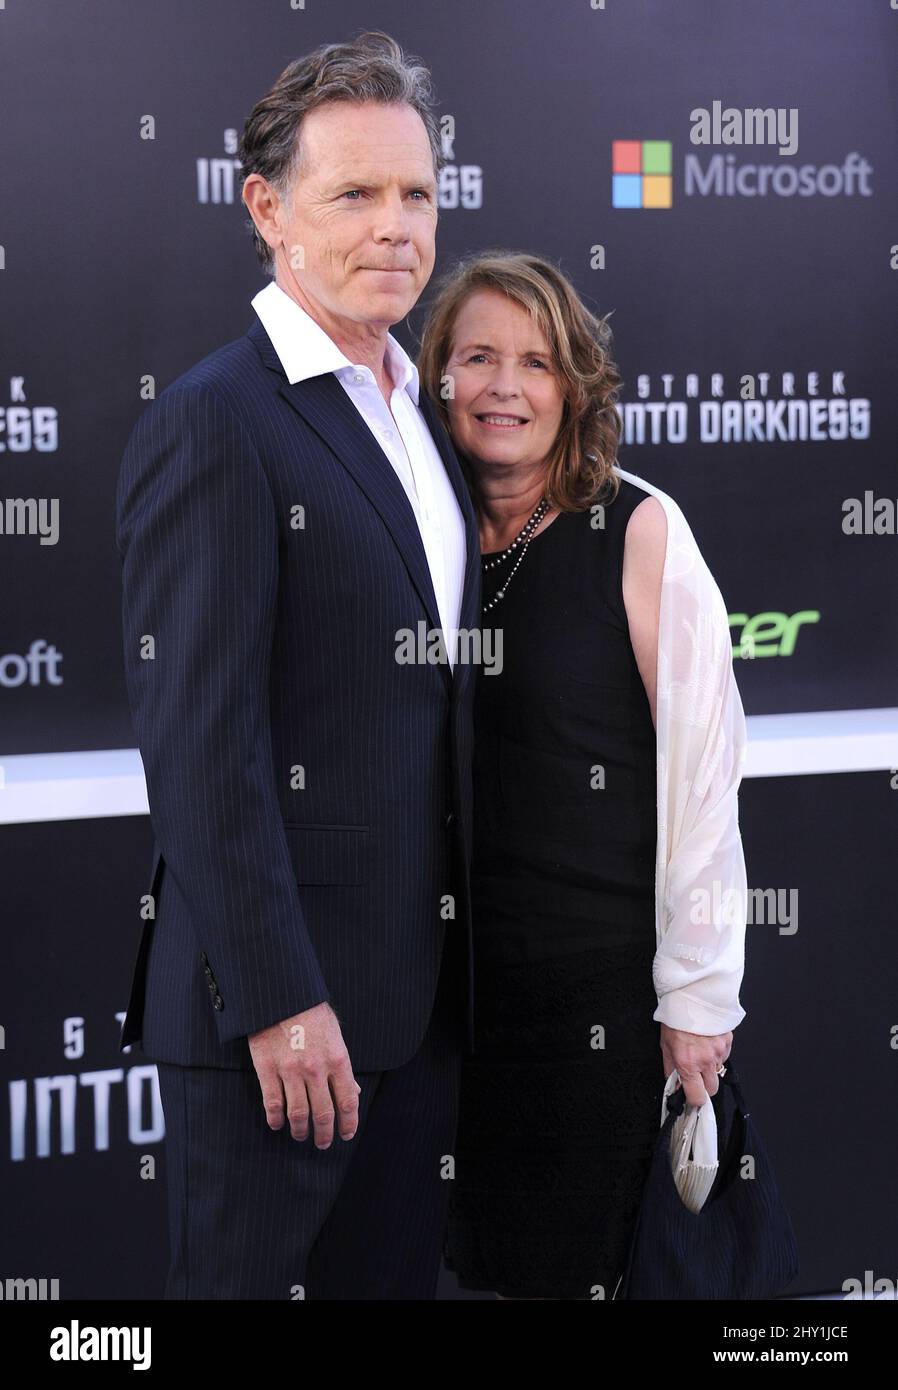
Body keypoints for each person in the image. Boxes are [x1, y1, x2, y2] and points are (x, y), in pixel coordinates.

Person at [115, 32, 481, 1300]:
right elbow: (202, 746)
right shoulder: (217, 420)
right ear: (267, 209)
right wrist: (279, 1002)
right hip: (278, 1032)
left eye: (419, 194)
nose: (398, 227)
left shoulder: (420, 414)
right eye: (356, 195)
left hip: (420, 1021)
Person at [416, 251, 749, 1300]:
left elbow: (705, 768)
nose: (504, 387)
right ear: (435, 378)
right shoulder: (417, 530)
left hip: (599, 1000)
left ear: (575, 385)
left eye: (536, 362)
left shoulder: (638, 527)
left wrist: (697, 992)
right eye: (477, 357)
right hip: (445, 1004)